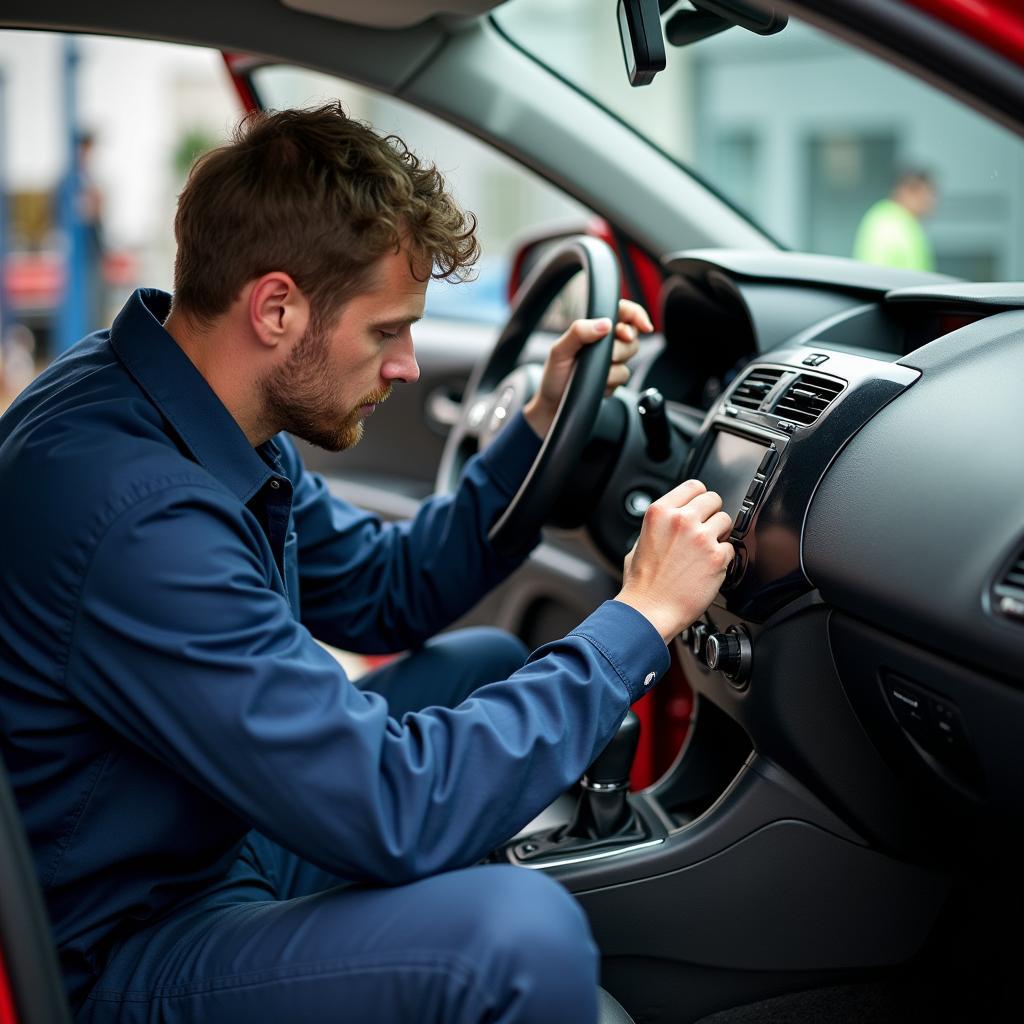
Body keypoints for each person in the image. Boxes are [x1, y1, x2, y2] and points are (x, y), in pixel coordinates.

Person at [0, 104, 733, 1024]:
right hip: (123, 951)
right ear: (276, 308)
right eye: (386, 331)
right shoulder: (138, 517)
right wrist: (642, 619)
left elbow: (389, 589)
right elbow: (398, 809)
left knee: (487, 668)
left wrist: (540, 429)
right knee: (517, 939)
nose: (409, 367)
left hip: (202, 833)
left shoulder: (191, 403)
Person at [852, 169, 938, 272]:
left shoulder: (889, 218)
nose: (931, 202)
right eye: (927, 195)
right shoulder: (891, 224)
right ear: (907, 191)